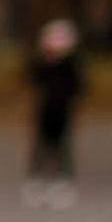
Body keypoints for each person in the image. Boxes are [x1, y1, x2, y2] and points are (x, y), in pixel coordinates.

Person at [26, 15, 85, 207]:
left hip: (63, 113)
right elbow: (33, 79)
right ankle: (36, 181)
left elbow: (79, 87)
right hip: (45, 112)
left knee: (63, 148)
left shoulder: (70, 67)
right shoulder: (43, 65)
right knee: (40, 147)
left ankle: (63, 182)